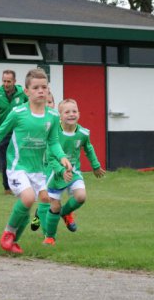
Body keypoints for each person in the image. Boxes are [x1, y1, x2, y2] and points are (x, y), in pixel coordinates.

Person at [0, 68, 71, 254]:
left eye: (44, 87)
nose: (41, 91)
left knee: (40, 201)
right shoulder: (18, 113)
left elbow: (53, 142)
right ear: (26, 91)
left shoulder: (52, 116)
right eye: (36, 88)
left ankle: (14, 241)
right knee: (28, 198)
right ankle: (7, 233)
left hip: (38, 170)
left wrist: (62, 157)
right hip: (17, 167)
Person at [42, 98, 106, 246]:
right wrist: (61, 171)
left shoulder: (83, 133)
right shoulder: (53, 133)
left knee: (81, 197)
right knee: (54, 206)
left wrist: (95, 166)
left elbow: (88, 148)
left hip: (74, 171)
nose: (71, 114)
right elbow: (50, 157)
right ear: (60, 116)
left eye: (74, 111)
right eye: (67, 112)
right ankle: (50, 237)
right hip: (54, 173)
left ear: (79, 114)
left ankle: (65, 213)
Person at [0, 70, 28, 194]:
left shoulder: (22, 93)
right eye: (4, 81)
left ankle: (22, 185)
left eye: (9, 81)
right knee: (6, 161)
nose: (6, 84)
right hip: (3, 133)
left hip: (19, 133)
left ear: (14, 81)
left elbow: (30, 107)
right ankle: (7, 188)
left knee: (20, 160)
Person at [31, 89, 56, 232]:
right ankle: (48, 234)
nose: (48, 104)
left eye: (50, 102)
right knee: (46, 197)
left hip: (55, 166)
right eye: (45, 102)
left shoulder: (57, 121)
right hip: (40, 166)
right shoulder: (37, 122)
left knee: (51, 198)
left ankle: (39, 214)